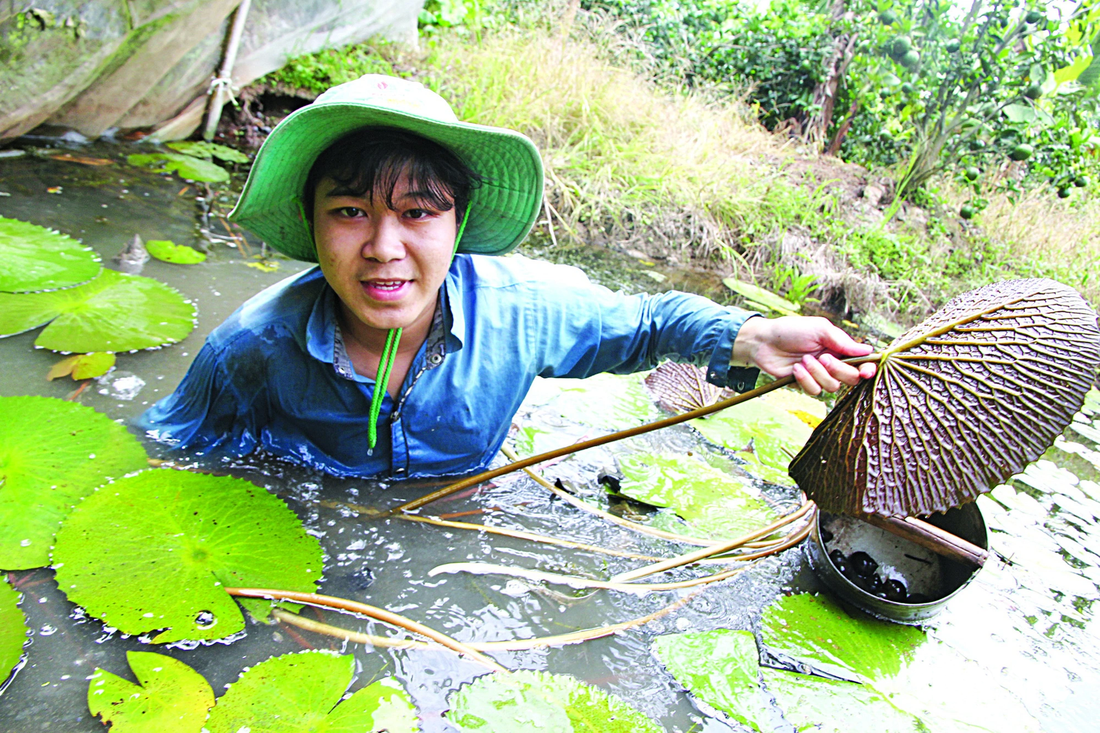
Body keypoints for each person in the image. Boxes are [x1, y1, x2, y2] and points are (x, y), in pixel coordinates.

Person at [138, 74, 875, 479]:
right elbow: (166, 454)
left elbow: (646, 322)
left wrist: (751, 333)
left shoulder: (524, 309)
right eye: (351, 211)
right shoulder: (249, 350)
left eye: (418, 212)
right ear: (312, 221)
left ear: (458, 224)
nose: (385, 247)